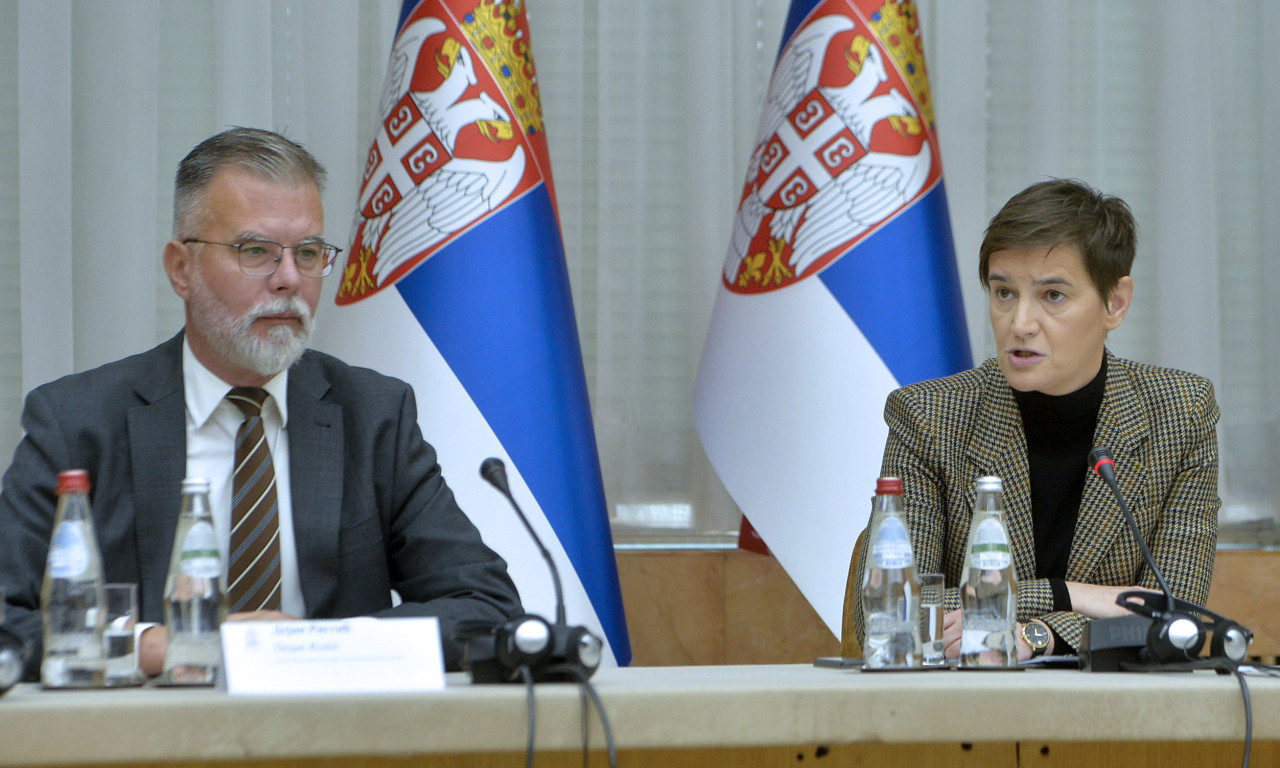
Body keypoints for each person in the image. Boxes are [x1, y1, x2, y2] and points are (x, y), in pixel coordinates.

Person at [0, 127, 523, 680]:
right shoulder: (79, 422)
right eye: (256, 252)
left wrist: (317, 645)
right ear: (182, 268)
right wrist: (168, 647)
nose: (289, 280)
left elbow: (484, 607)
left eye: (309, 253)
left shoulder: (373, 415)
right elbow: (8, 616)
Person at [844, 178, 1219, 661]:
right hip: (963, 716)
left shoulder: (1180, 413)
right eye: (1004, 293)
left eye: (1053, 296)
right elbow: (893, 616)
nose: (1020, 322)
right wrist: (1071, 596)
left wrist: (1035, 634)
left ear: (1115, 303)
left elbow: (1174, 617)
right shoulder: (929, 417)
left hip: (1112, 718)